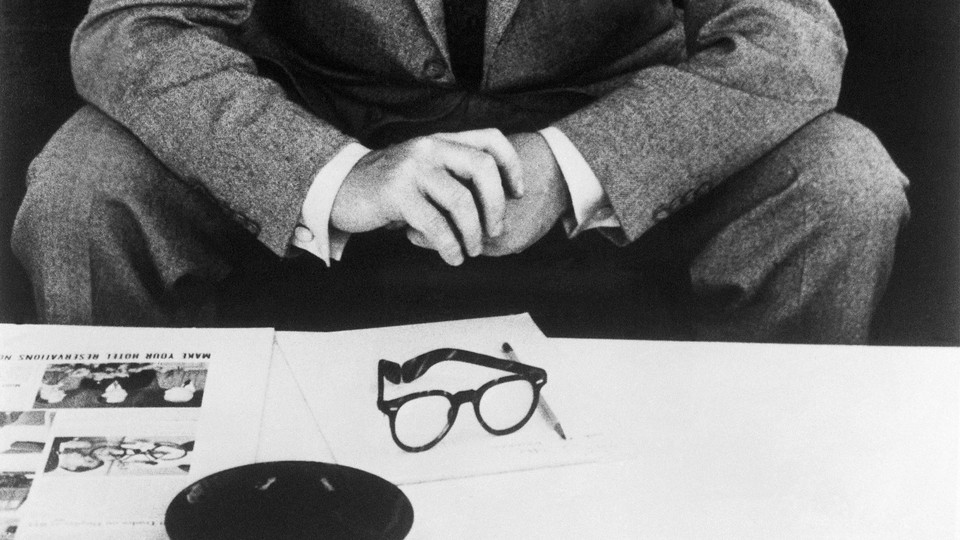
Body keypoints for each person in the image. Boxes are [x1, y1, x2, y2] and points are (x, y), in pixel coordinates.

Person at [11, 0, 909, 343]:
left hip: (616, 157)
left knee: (841, 181)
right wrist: (336, 176)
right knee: (86, 185)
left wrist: (572, 165)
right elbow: (131, 26)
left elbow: (792, 39)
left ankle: (769, 505)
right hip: (325, 145)